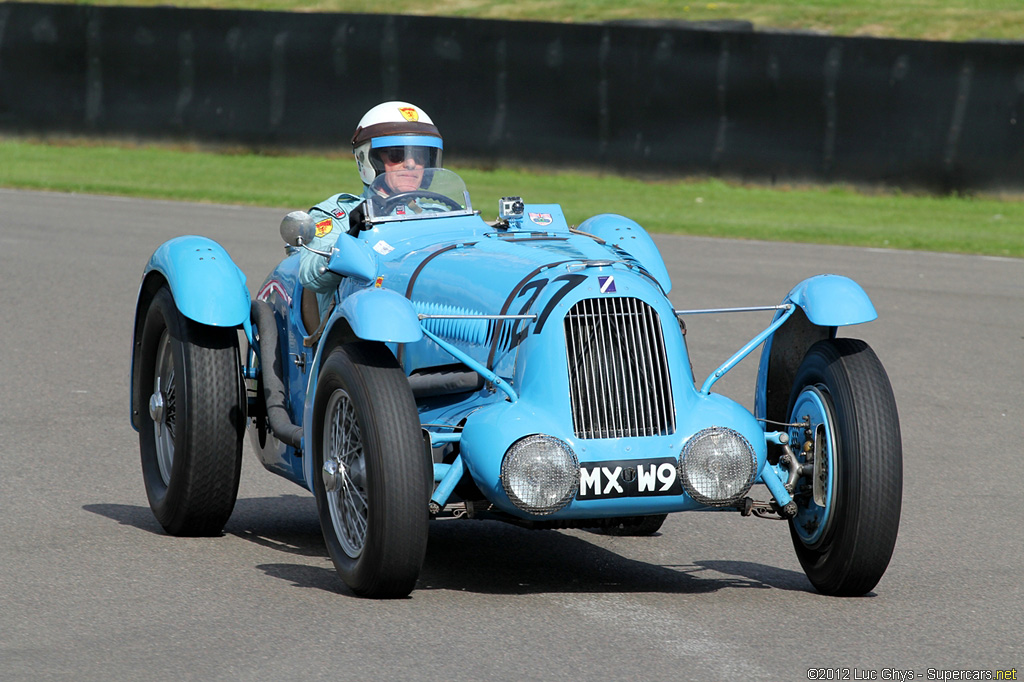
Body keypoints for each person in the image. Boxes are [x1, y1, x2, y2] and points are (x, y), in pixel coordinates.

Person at [298, 101, 444, 319]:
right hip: (357, 329)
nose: (412, 163)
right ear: (368, 161)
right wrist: (351, 237)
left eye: (421, 156)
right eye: (397, 155)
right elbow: (310, 276)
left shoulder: (440, 214)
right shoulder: (340, 214)